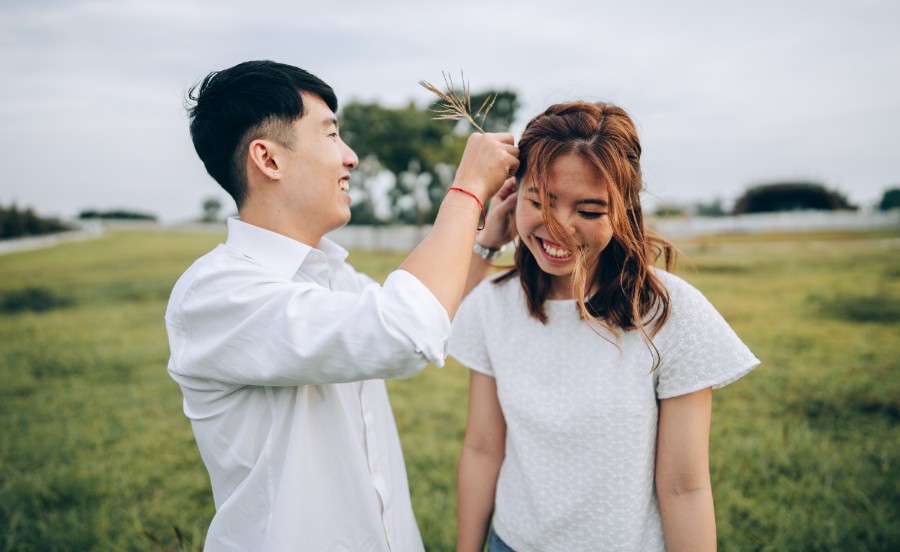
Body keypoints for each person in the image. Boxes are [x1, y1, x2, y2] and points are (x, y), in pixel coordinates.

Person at [164, 59, 519, 551]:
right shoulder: (217, 293)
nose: (349, 157)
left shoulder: (330, 276)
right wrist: (467, 193)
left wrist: (481, 245)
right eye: (331, 136)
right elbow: (404, 331)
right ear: (268, 160)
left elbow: (426, 315)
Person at [449, 101, 760, 552]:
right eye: (540, 200)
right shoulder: (493, 305)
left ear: (623, 212)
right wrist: (485, 243)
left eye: (590, 211)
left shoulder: (672, 315)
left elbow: (684, 489)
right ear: (513, 194)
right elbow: (482, 448)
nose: (560, 228)